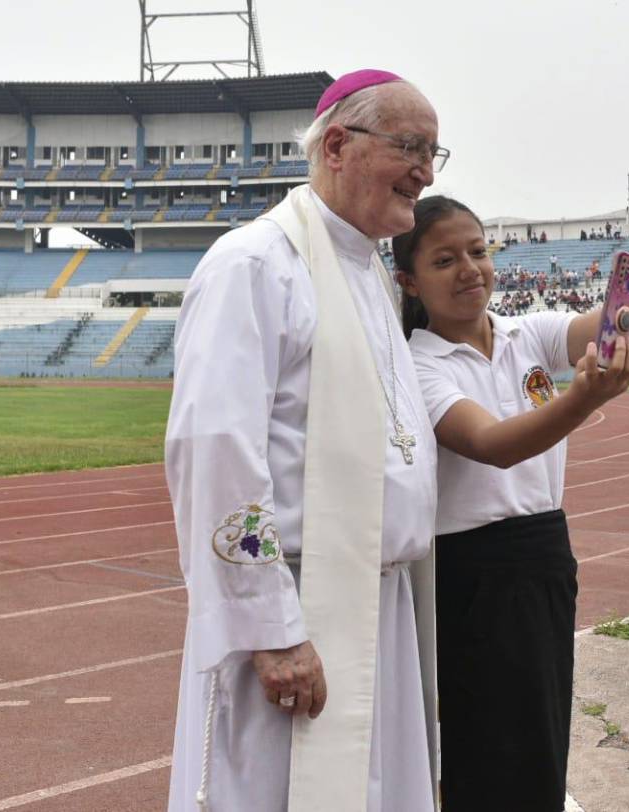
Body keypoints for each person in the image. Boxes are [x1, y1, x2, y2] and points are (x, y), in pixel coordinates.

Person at [165, 70, 445, 811]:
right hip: (298, 606)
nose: (424, 170)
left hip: (376, 606)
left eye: (435, 153)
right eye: (410, 146)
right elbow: (216, 447)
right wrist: (270, 627)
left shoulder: (367, 273)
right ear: (337, 145)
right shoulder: (257, 264)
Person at [397, 196, 629, 810]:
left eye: (477, 251)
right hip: (472, 571)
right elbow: (492, 445)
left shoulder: (526, 332)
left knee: (542, 731)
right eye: (444, 260)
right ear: (409, 281)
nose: (469, 269)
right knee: (486, 740)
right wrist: (585, 398)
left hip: (544, 554)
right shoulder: (417, 366)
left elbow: (607, 324)